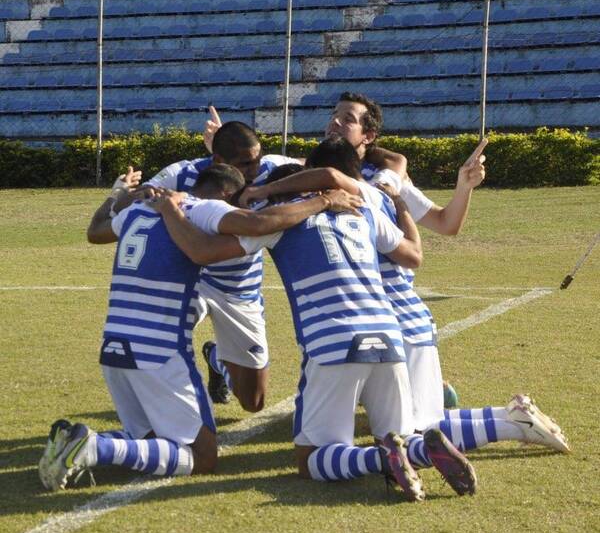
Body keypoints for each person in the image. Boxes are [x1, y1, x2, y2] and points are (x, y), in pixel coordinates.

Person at [154, 152, 479, 501]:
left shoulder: (280, 222)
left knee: (311, 459)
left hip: (333, 342)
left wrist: (173, 211)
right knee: (399, 435)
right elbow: (413, 252)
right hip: (389, 338)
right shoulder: (364, 209)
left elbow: (204, 251)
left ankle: (380, 457)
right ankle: (420, 452)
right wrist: (398, 203)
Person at [38, 164, 362, 491]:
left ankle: (74, 441)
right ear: (225, 195)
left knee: (150, 439)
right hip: (160, 352)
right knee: (203, 457)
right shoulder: (200, 208)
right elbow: (258, 223)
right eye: (237, 200)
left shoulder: (138, 209)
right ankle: (96, 447)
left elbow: (96, 231)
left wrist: (117, 195)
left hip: (114, 349)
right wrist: (323, 202)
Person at [238, 138, 570, 456]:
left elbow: (329, 176)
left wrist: (266, 190)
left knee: (418, 430)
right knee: (422, 422)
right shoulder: (384, 186)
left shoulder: (357, 194)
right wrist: (403, 204)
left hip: (387, 321)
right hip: (411, 315)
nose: (335, 125)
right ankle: (508, 415)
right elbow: (414, 239)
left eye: (345, 120)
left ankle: (508, 422)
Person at [143, 120, 301, 406]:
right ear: (218, 160)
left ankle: (216, 359)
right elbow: (142, 195)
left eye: (257, 161)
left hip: (240, 290)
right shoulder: (184, 173)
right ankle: (159, 400)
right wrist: (164, 198)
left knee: (253, 402)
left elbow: (316, 166)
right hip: (193, 281)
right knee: (157, 331)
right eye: (245, 164)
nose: (254, 172)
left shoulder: (270, 169)